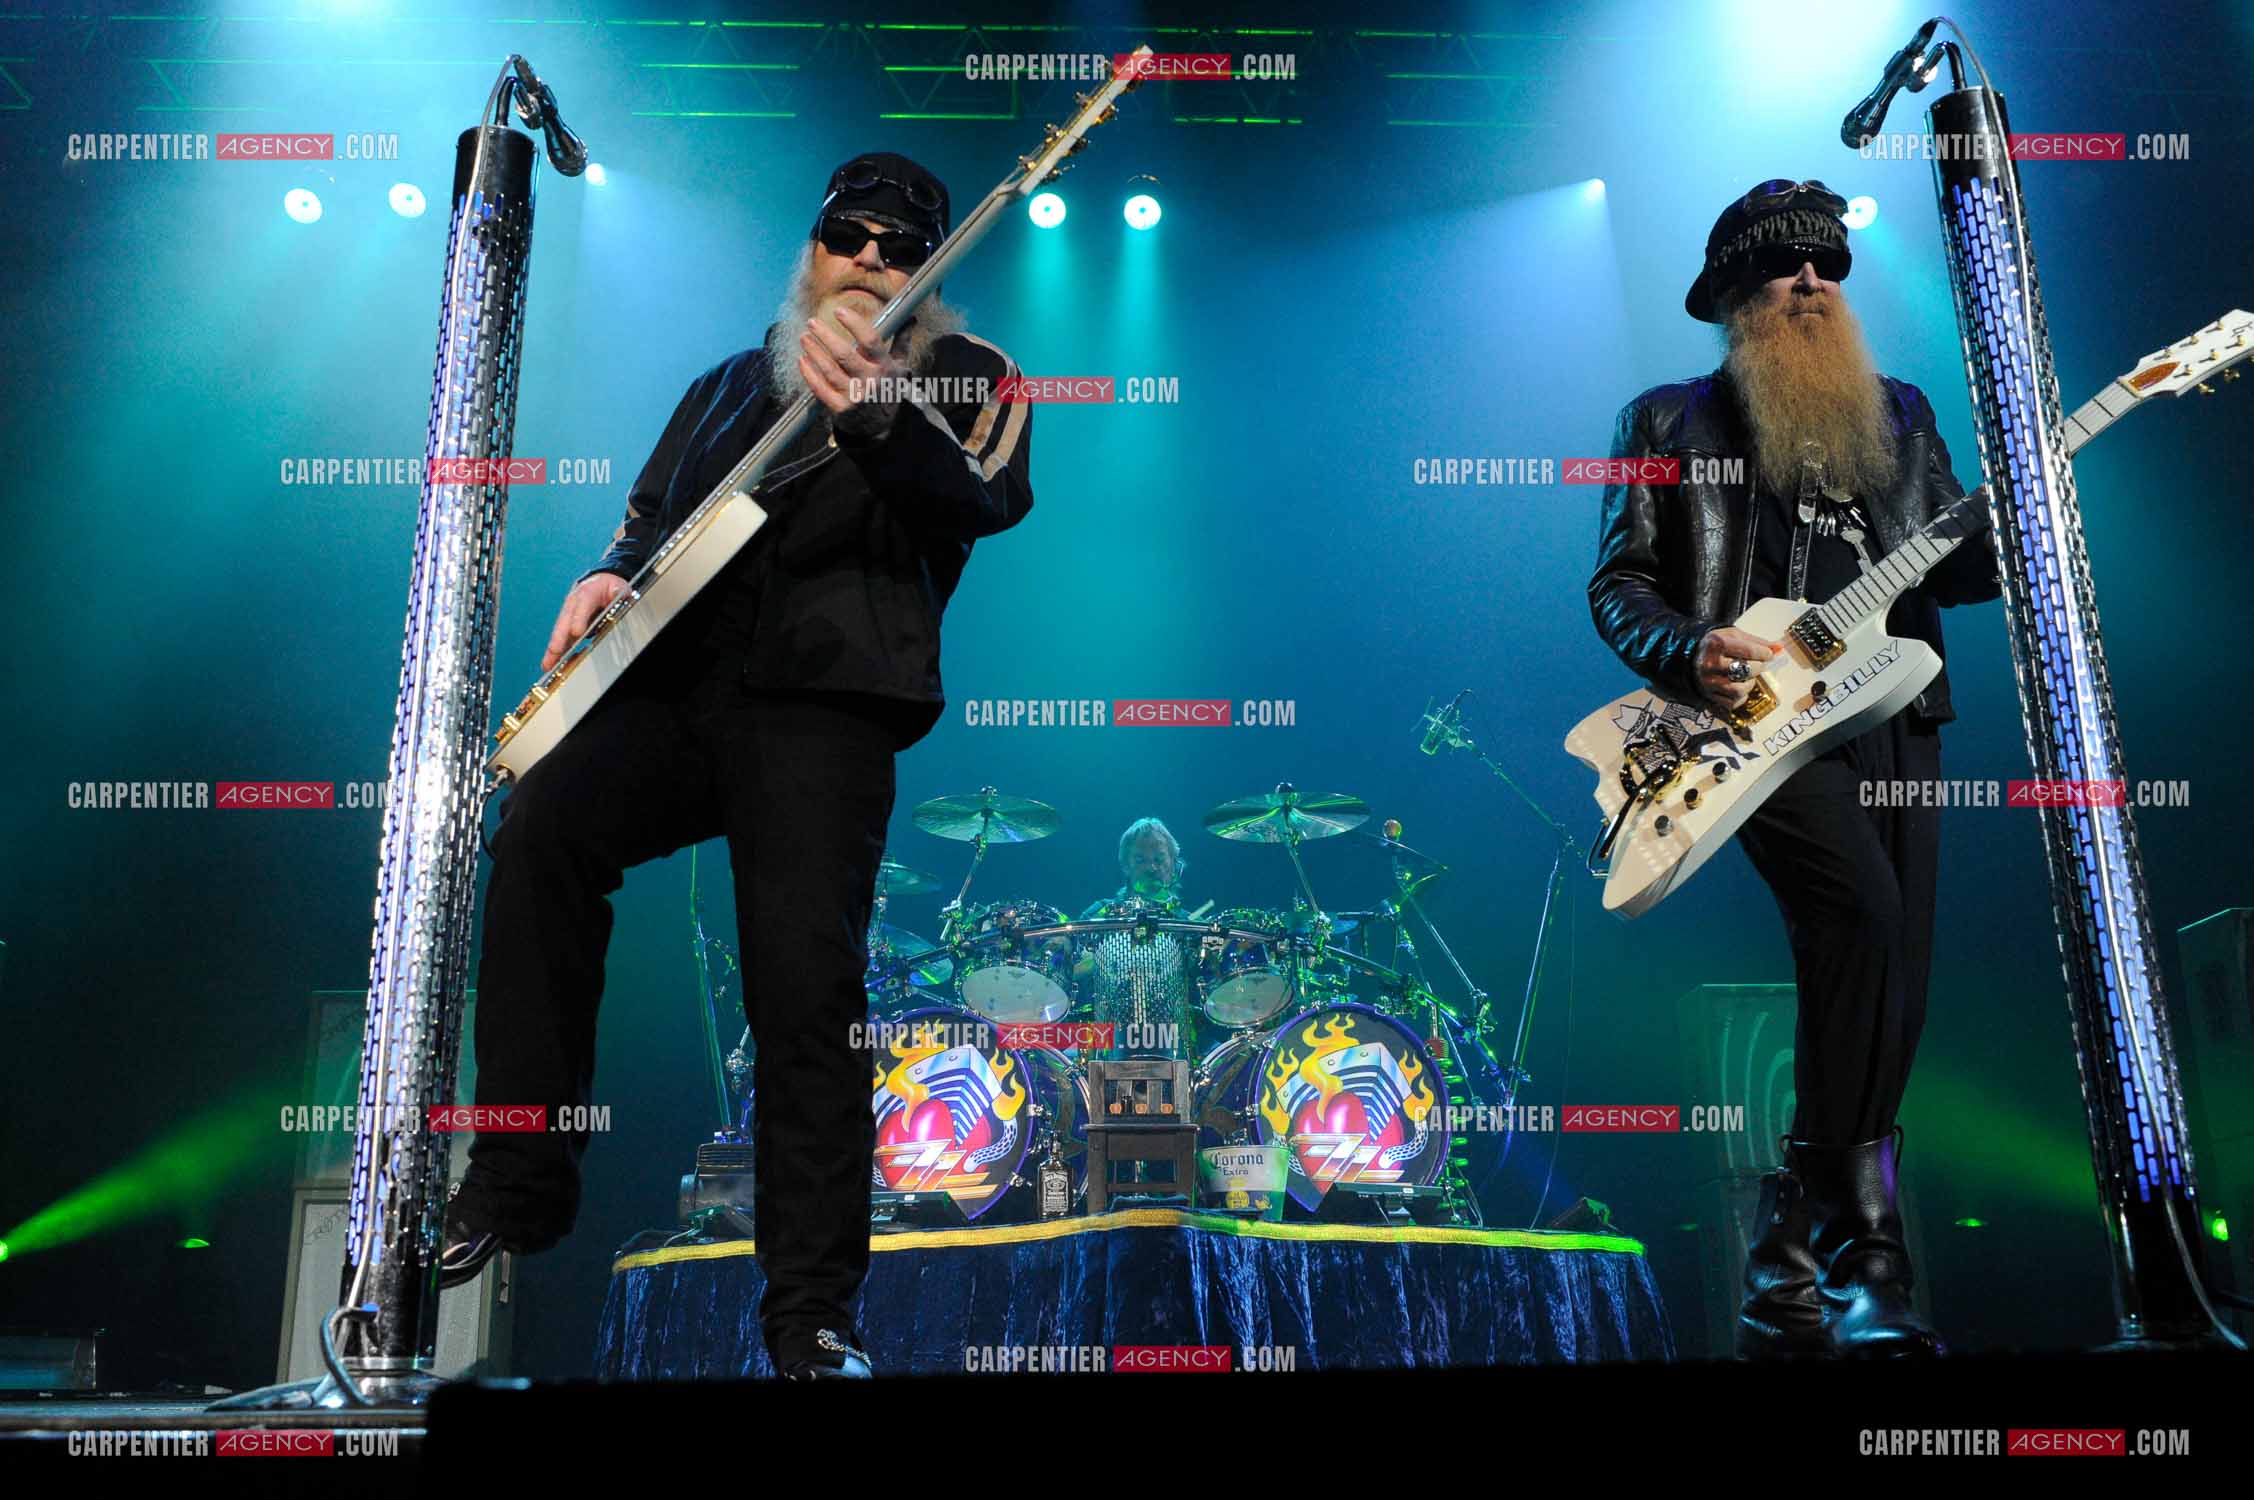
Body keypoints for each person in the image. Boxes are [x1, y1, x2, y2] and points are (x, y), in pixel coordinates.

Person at [439, 152, 1034, 1380]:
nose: (869, 256)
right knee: (544, 830)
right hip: (676, 697)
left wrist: (874, 411)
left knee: (803, 1001)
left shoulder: (967, 375)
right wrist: (608, 572)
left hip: (826, 711)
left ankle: (810, 1314)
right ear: (811, 252)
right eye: (848, 236)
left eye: (897, 243)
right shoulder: (726, 383)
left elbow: (983, 498)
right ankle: (518, 1174)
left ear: (927, 270)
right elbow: (648, 519)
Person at [1587, 179, 1999, 1359]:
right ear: (1732, 298)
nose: (1813, 280)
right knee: (1860, 920)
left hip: (1896, 707)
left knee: (1886, 980)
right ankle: (1870, 1264)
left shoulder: (1902, 412)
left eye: (1827, 263)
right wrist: (1688, 649)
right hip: (1756, 724)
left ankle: (1786, 1265)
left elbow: (1953, 570)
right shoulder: (1667, 422)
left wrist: (2012, 521)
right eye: (1784, 267)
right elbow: (1619, 584)